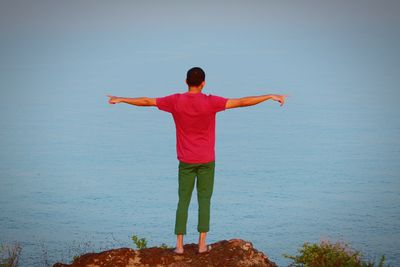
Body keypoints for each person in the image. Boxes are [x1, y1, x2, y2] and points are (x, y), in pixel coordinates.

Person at [107, 67, 287, 254]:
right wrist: (270, 96)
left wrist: (121, 99)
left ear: (186, 82)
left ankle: (179, 246)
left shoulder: (175, 101)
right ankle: (202, 245)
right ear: (203, 83)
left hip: (186, 161)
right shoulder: (211, 102)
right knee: (204, 201)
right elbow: (242, 102)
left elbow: (146, 101)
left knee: (183, 201)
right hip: (207, 161)